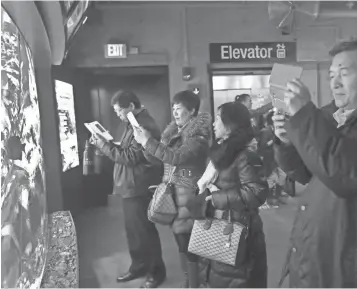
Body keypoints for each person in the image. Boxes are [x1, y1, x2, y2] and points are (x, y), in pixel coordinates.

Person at [272, 37, 357, 287]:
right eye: (331, 74)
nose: (334, 82)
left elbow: (350, 175)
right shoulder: (328, 116)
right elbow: (308, 172)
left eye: (344, 73)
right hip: (317, 254)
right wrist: (288, 143)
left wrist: (304, 118)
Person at [133, 90, 212, 288]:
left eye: (179, 109)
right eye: (174, 109)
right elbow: (158, 158)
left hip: (191, 196)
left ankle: (194, 284)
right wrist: (145, 143)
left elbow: (176, 158)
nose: (175, 113)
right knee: (182, 243)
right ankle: (190, 282)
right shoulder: (173, 133)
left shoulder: (199, 136)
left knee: (191, 246)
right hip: (175, 195)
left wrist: (149, 143)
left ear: (192, 111)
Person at [90, 91, 165, 285]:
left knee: (144, 231)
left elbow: (131, 157)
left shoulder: (143, 125)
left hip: (138, 186)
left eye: (119, 111)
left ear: (131, 106)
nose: (118, 115)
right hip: (130, 186)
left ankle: (157, 272)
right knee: (134, 232)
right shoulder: (132, 122)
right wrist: (106, 143)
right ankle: (139, 267)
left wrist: (104, 146)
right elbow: (127, 150)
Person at [192, 101, 268, 288]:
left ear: (231, 124)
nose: (213, 124)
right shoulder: (223, 151)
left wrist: (219, 198)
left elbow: (257, 192)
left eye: (218, 119)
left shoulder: (244, 154)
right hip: (222, 226)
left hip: (239, 232)